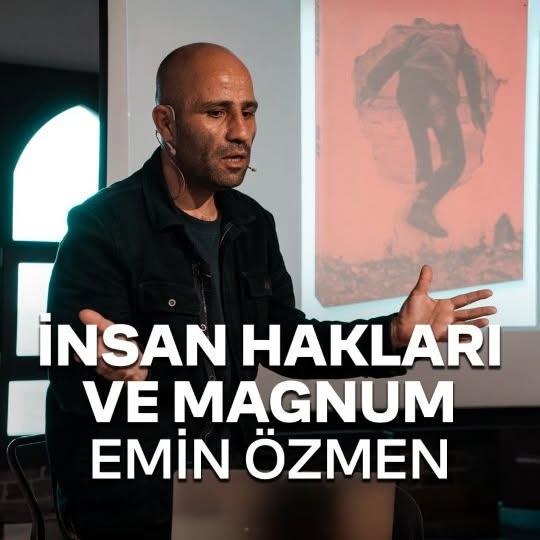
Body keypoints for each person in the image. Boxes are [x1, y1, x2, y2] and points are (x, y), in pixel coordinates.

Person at [46, 42, 496, 539]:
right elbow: (73, 384)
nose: (240, 132)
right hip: (139, 488)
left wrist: (393, 336)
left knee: (393, 515)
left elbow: (289, 342)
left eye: (248, 112)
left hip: (232, 468)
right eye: (216, 112)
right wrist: (122, 375)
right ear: (166, 124)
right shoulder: (102, 227)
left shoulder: (252, 224)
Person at [357, 18, 489, 238]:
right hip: (434, 89)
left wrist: (372, 85)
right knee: (455, 159)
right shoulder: (457, 38)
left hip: (408, 89)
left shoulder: (419, 36)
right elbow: (470, 69)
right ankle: (422, 208)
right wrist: (475, 107)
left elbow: (394, 56)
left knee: (423, 157)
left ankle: (420, 223)